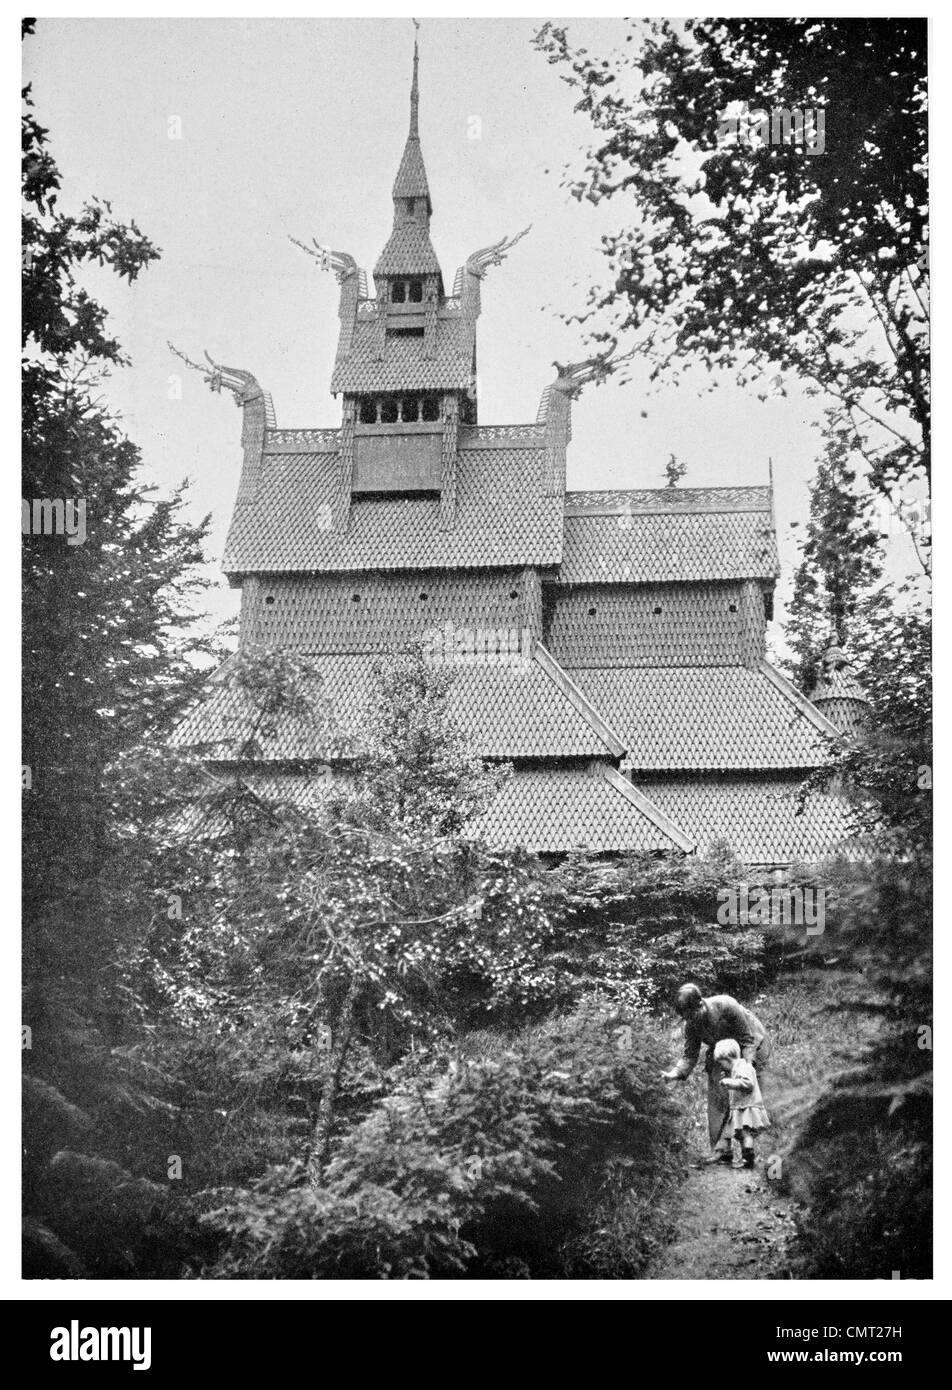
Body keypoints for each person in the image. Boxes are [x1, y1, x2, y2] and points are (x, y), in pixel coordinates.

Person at [661, 983, 770, 1164]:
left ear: (700, 1004)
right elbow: (689, 1055)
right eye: (685, 1017)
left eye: (691, 1014)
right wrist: (674, 1074)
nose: (689, 1020)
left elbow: (747, 1039)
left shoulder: (726, 1005)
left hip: (752, 1044)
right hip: (722, 1051)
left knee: (743, 1096)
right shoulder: (692, 1024)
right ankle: (722, 1150)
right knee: (717, 1090)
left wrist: (745, 1070)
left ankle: (747, 1150)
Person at [714, 1038, 770, 1167]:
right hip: (740, 1106)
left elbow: (748, 1084)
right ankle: (742, 1157)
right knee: (740, 1134)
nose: (721, 1066)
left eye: (721, 1063)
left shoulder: (744, 1067)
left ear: (727, 1059)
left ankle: (748, 1159)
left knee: (746, 1133)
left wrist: (731, 1082)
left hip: (747, 1107)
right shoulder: (736, 1069)